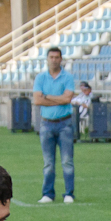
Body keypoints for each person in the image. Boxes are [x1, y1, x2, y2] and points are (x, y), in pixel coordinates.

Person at [33, 47, 77, 203]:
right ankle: (48, 193)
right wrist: (58, 98)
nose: (54, 60)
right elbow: (37, 100)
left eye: (57, 57)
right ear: (47, 59)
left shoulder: (68, 77)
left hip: (64, 123)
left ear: (61, 59)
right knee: (48, 162)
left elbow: (67, 99)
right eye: (51, 57)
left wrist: (47, 97)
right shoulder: (40, 78)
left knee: (67, 161)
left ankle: (69, 193)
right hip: (46, 123)